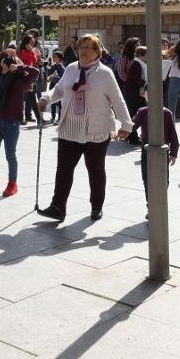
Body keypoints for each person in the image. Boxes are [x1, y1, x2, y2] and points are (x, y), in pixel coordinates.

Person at [37, 34, 132, 222]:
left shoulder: (105, 73)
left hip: (96, 131)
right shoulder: (71, 69)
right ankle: (57, 207)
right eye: (81, 47)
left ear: (97, 52)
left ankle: (97, 206)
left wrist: (126, 124)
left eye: (89, 47)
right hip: (69, 128)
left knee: (96, 170)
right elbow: (59, 90)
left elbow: (117, 100)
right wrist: (46, 98)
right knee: (63, 170)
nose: (84, 50)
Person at [0, 46, 38, 198]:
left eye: (4, 68)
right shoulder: (1, 76)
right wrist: (5, 53)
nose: (1, 70)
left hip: (12, 122)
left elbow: (36, 72)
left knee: (10, 155)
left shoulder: (22, 81)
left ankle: (13, 183)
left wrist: (20, 67)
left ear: (11, 67)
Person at [133, 101, 178, 209]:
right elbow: (132, 125)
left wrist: (174, 153)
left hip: (163, 150)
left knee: (163, 179)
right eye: (147, 92)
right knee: (147, 179)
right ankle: (151, 205)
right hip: (146, 150)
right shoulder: (143, 112)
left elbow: (173, 134)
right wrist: (123, 131)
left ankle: (159, 203)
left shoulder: (167, 113)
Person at [119, 38, 144, 145]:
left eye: (139, 44)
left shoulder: (138, 57)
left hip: (138, 89)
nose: (138, 46)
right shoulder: (126, 58)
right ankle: (131, 135)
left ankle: (128, 133)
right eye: (136, 44)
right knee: (131, 112)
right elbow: (121, 72)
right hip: (130, 88)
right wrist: (129, 81)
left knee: (135, 112)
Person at [19, 30, 44, 126]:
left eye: (34, 42)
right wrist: (30, 51)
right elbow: (26, 61)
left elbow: (35, 60)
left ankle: (38, 119)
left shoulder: (32, 51)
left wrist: (32, 51)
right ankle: (22, 118)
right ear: (27, 42)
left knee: (33, 99)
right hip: (24, 77)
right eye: (31, 42)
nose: (33, 44)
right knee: (23, 99)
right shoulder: (23, 51)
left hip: (31, 77)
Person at [46, 51, 65, 122]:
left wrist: (54, 78)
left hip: (60, 87)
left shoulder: (62, 68)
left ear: (59, 58)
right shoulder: (53, 67)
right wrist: (49, 78)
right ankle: (53, 117)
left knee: (60, 103)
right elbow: (49, 76)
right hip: (52, 86)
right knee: (52, 102)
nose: (53, 58)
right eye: (53, 56)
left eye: (55, 56)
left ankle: (59, 118)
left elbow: (63, 78)